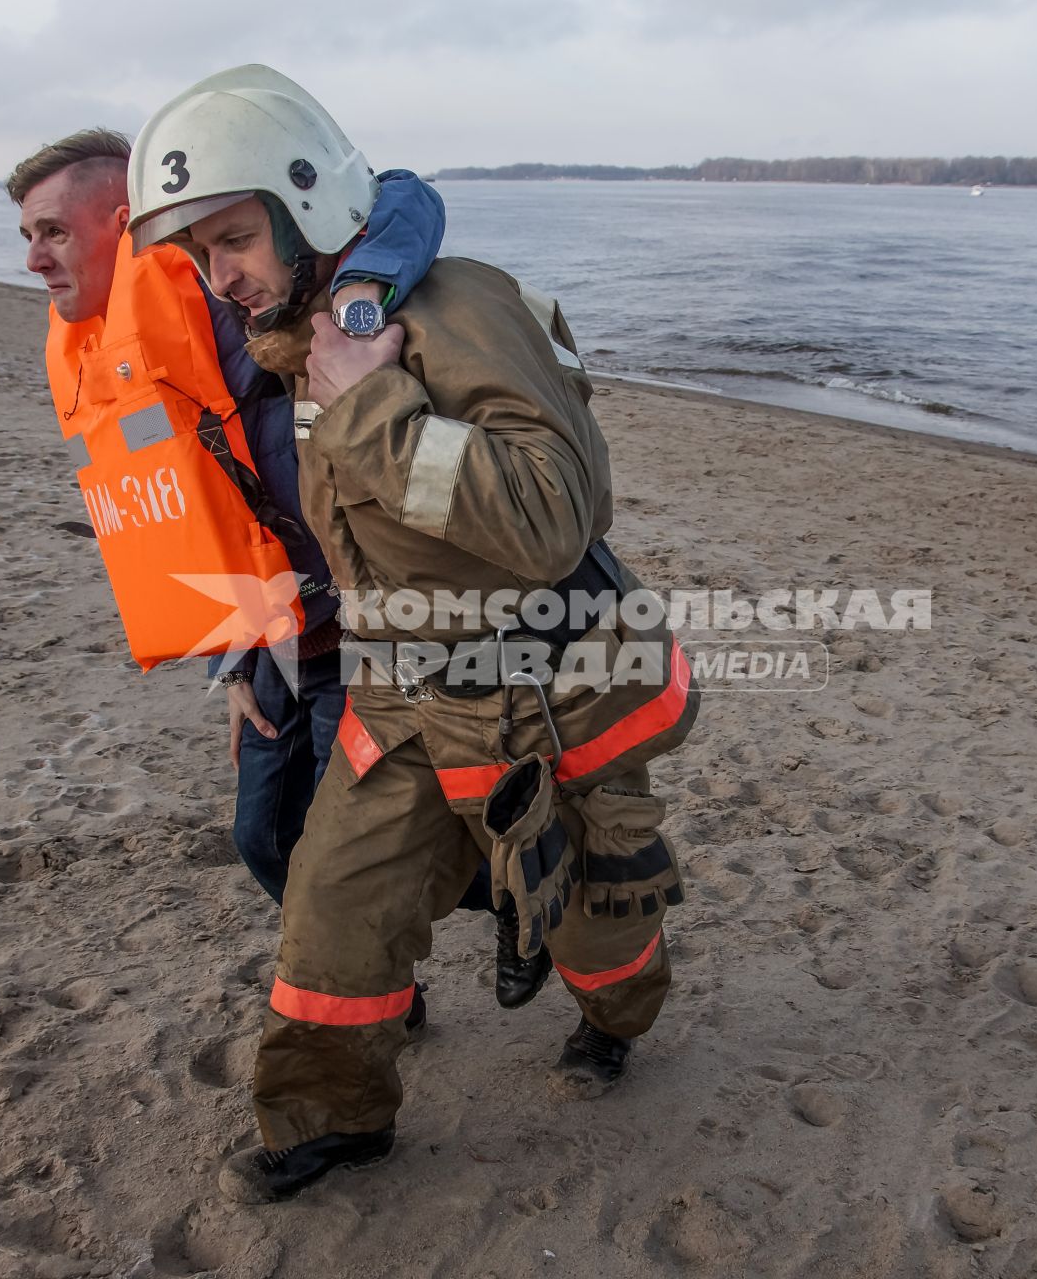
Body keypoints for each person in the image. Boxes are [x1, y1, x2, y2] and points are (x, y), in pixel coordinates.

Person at [127, 64, 700, 1202]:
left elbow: (550, 516)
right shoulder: (305, 340)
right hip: (406, 700)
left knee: (604, 929)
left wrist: (369, 405)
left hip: (559, 693)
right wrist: (259, 639)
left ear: (306, 208)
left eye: (231, 238)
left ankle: (618, 1022)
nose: (219, 275)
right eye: (197, 254)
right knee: (333, 909)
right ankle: (330, 1117)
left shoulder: (454, 311)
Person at [8, 129, 540, 1025]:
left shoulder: (233, 303)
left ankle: (503, 917)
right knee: (262, 838)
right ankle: (425, 955)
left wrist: (363, 300)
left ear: (127, 221)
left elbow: (404, 193)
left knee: (368, 848)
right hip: (269, 643)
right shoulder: (97, 354)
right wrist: (232, 659)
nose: (32, 260)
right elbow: (189, 527)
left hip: (369, 631)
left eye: (53, 231)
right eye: (25, 236)